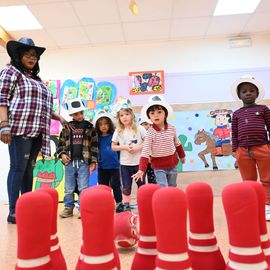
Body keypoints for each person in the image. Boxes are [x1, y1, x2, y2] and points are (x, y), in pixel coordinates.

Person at [0, 37, 69, 224]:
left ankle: (26, 207)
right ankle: (13, 211)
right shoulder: (10, 72)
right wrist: (4, 124)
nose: (32, 58)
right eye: (27, 54)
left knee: (29, 170)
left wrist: (58, 117)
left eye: (34, 55)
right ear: (18, 55)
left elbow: (41, 105)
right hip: (19, 128)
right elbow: (2, 99)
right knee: (18, 168)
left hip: (38, 131)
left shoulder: (36, 79)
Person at [231, 76, 270, 220]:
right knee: (248, 180)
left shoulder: (264, 109)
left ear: (257, 94)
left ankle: (267, 206)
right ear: (239, 95)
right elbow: (234, 132)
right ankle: (252, 204)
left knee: (267, 178)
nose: (248, 93)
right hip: (243, 150)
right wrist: (235, 150)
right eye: (244, 91)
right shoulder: (236, 114)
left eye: (252, 91)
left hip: (263, 148)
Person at [132, 95, 186, 187]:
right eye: (152, 113)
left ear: (165, 114)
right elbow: (145, 152)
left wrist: (182, 156)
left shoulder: (172, 128)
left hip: (172, 163)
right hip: (158, 166)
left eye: (159, 112)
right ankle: (163, 201)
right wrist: (141, 169)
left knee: (172, 186)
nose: (156, 115)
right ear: (149, 117)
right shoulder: (150, 133)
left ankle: (172, 200)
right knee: (163, 186)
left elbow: (177, 143)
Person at [57, 99, 98, 218]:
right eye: (76, 114)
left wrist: (94, 161)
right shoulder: (66, 128)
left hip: (84, 162)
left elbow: (94, 146)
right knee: (68, 187)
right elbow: (60, 145)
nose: (79, 115)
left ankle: (83, 208)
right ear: (71, 114)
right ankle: (68, 208)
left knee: (83, 187)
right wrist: (62, 155)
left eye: (81, 113)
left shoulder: (90, 127)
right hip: (69, 163)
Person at [112, 99, 145, 211]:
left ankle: (143, 204)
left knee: (141, 185)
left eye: (127, 114)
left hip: (139, 163)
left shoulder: (139, 128)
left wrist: (137, 148)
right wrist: (125, 147)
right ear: (119, 118)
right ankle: (126, 205)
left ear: (132, 115)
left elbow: (147, 142)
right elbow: (113, 146)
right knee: (126, 186)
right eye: (121, 115)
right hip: (125, 164)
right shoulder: (118, 131)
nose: (124, 117)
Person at [93, 110, 124, 213]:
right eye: (101, 124)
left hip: (114, 166)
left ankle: (119, 203)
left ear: (110, 124)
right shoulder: (97, 138)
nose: (103, 126)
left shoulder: (115, 136)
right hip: (102, 166)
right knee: (103, 186)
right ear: (97, 126)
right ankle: (104, 203)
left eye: (106, 124)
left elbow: (119, 149)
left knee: (116, 185)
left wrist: (119, 160)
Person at [138, 116, 156, 184]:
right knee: (141, 180)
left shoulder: (153, 135)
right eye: (145, 124)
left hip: (152, 160)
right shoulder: (138, 136)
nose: (148, 126)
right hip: (142, 160)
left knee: (152, 179)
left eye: (150, 124)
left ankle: (153, 191)